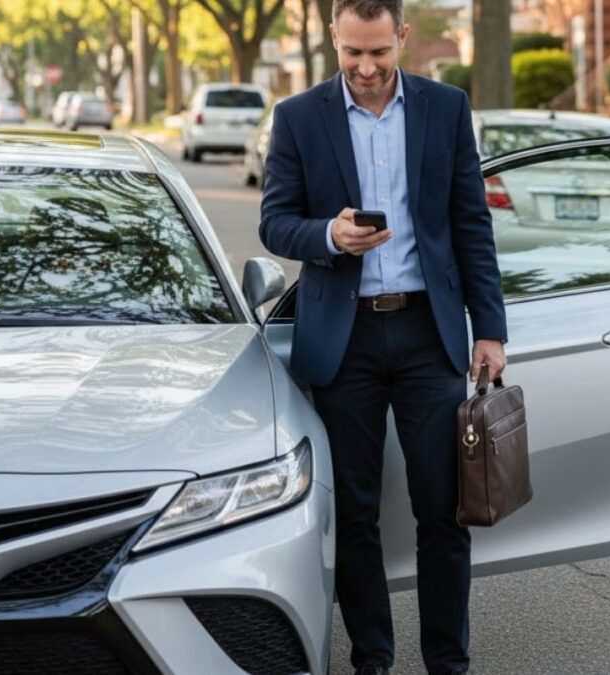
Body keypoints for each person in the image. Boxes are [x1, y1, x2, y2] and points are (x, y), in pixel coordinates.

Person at [258, 0, 508, 673]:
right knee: (357, 515)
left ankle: (447, 663)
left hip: (429, 334)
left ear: (401, 38)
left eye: (378, 52)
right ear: (332, 41)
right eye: (351, 54)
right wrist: (328, 235)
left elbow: (469, 225)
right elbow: (275, 222)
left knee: (443, 511)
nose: (365, 68)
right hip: (345, 343)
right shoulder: (299, 117)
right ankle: (372, 658)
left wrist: (489, 327)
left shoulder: (445, 108)